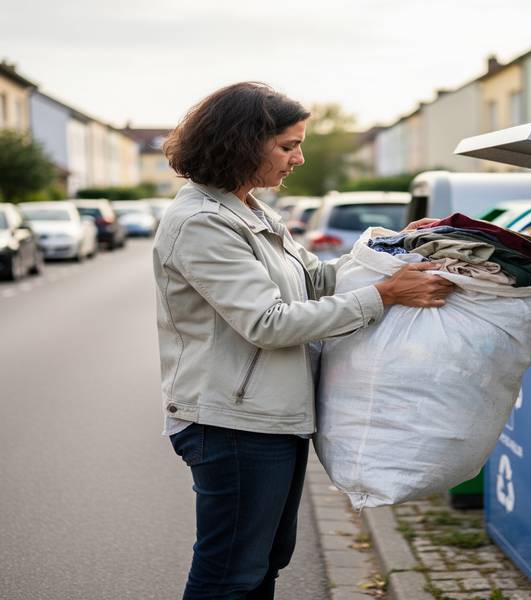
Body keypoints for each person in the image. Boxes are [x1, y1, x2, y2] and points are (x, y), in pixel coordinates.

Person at [152, 81, 454, 599]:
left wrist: (395, 248)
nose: (299, 157)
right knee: (231, 573)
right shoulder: (203, 222)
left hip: (270, 415)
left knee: (264, 562)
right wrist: (384, 295)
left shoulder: (250, 211)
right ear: (243, 143)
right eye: (288, 146)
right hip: (231, 421)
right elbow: (269, 322)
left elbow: (316, 282)